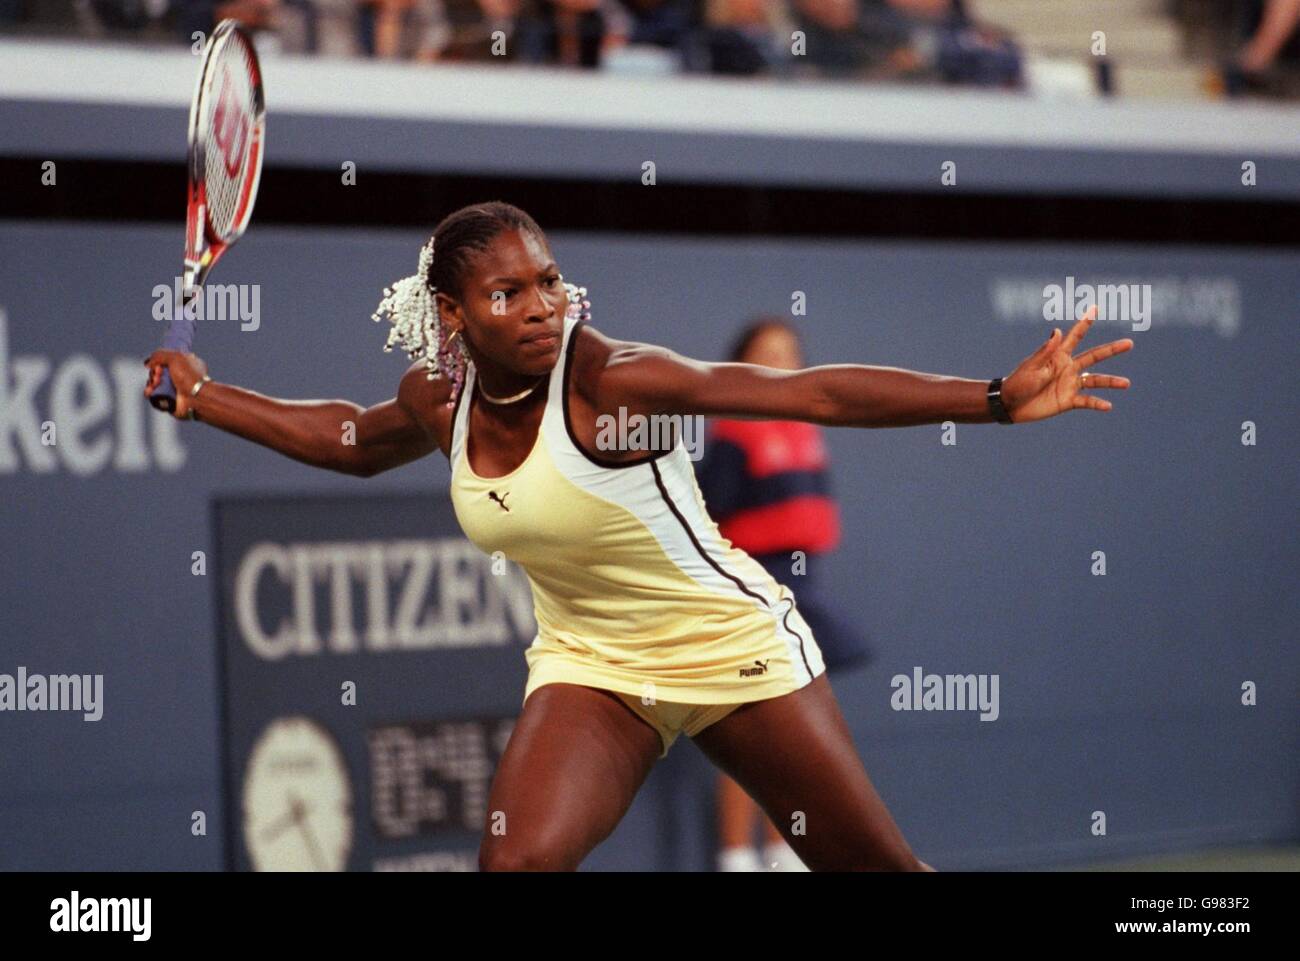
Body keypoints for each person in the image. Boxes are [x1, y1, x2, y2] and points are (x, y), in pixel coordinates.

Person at [144, 200, 1132, 871]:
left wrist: (994, 398)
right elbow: (354, 440)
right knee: (515, 860)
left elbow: (805, 391)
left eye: (548, 281)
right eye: (506, 293)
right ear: (452, 313)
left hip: (728, 646)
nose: (540, 306)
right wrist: (206, 397)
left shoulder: (613, 379)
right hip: (593, 664)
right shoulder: (436, 398)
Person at [695, 317, 872, 871]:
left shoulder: (805, 432)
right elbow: (704, 518)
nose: (779, 363)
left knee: (795, 740)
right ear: (740, 367)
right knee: (755, 738)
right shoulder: (730, 438)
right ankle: (735, 859)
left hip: (802, 590)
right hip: (753, 593)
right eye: (765, 353)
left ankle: (781, 852)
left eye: (788, 353)